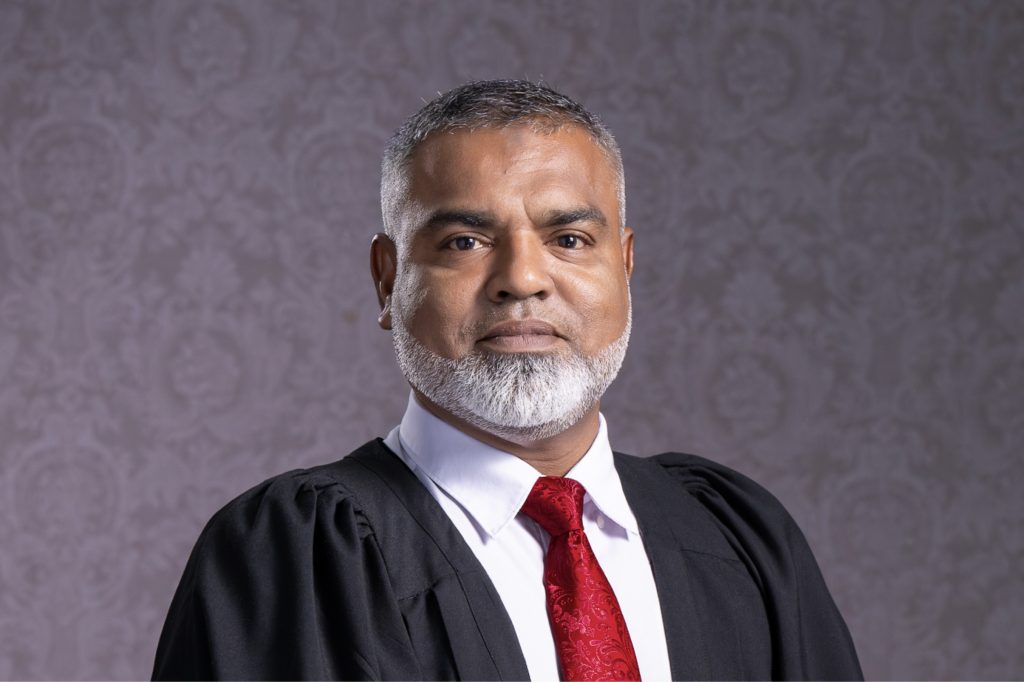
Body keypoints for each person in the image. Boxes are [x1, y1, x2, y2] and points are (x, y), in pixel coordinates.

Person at [152, 80, 862, 681]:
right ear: (388, 279)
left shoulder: (736, 537)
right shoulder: (303, 554)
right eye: (465, 242)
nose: (522, 279)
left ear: (625, 267)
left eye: (569, 240)